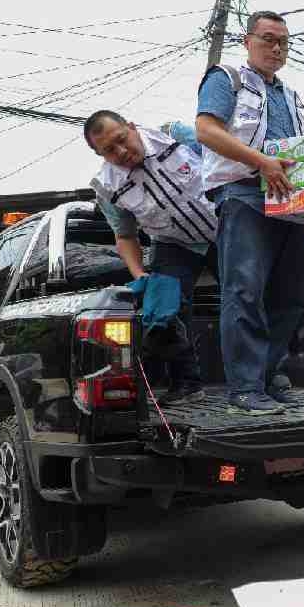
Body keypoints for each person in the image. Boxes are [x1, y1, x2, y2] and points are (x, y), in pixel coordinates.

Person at [196, 10, 304, 416]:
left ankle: (266, 379)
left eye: (283, 41)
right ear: (247, 41)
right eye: (267, 38)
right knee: (244, 292)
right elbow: (206, 131)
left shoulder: (292, 96)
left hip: (288, 203)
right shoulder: (227, 79)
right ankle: (244, 389)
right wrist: (261, 161)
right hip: (243, 194)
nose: (276, 47)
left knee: (289, 297)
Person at [85, 110, 219, 405]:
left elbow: (225, 158)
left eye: (122, 140)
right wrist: (139, 274)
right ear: (100, 154)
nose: (121, 152)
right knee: (165, 309)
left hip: (225, 227)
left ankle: (260, 379)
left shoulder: (175, 136)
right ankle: (187, 383)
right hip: (174, 243)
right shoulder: (107, 187)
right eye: (109, 150)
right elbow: (125, 235)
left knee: (246, 297)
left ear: (131, 127)